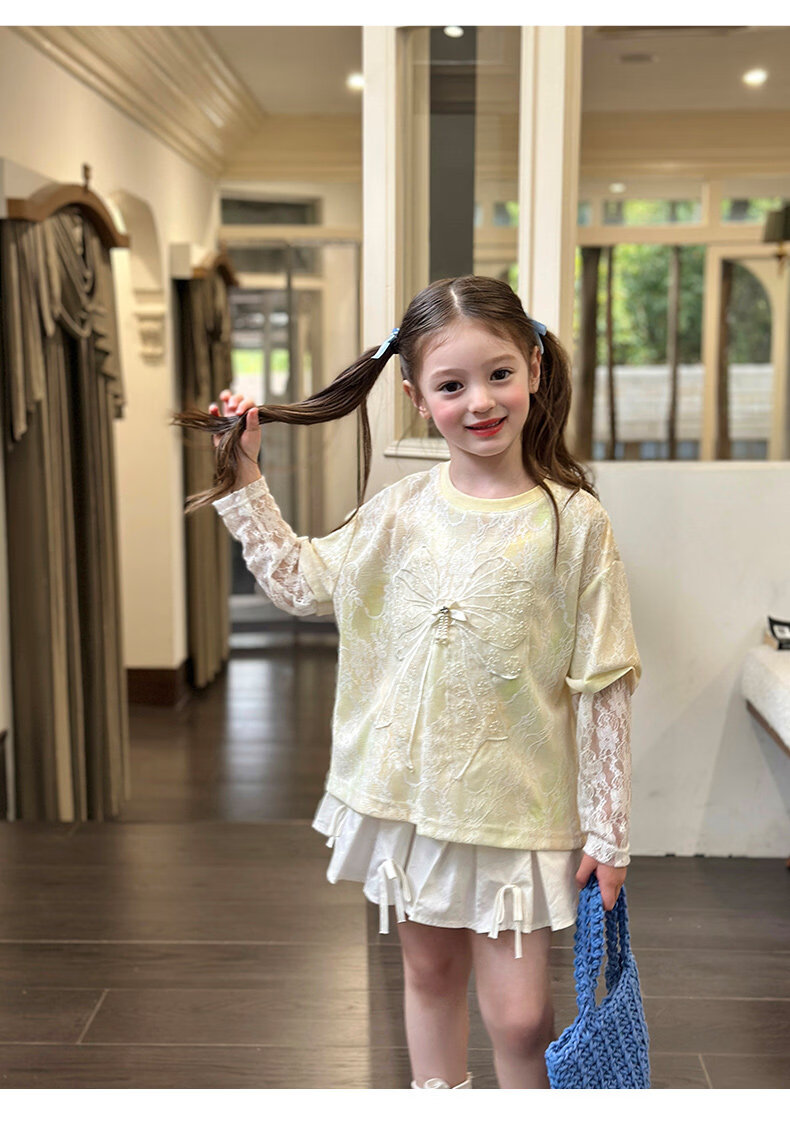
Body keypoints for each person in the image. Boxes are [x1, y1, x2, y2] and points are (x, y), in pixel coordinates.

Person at [170, 274, 642, 1090]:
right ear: (417, 397)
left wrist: (609, 828)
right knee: (428, 976)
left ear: (533, 368)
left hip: (520, 805)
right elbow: (301, 581)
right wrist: (244, 474)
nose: (479, 401)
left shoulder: (575, 521)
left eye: (498, 373)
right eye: (451, 385)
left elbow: (606, 679)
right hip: (413, 800)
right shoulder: (399, 510)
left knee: (521, 1016)